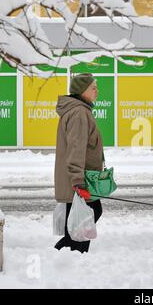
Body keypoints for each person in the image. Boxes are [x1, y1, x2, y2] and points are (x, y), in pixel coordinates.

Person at [54, 73, 103, 253]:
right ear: (82, 91)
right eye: (93, 87)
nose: (97, 90)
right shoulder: (79, 113)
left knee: (80, 222)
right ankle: (70, 257)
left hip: (80, 180)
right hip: (80, 182)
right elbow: (76, 149)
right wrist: (78, 183)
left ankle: (68, 258)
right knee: (85, 219)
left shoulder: (79, 111)